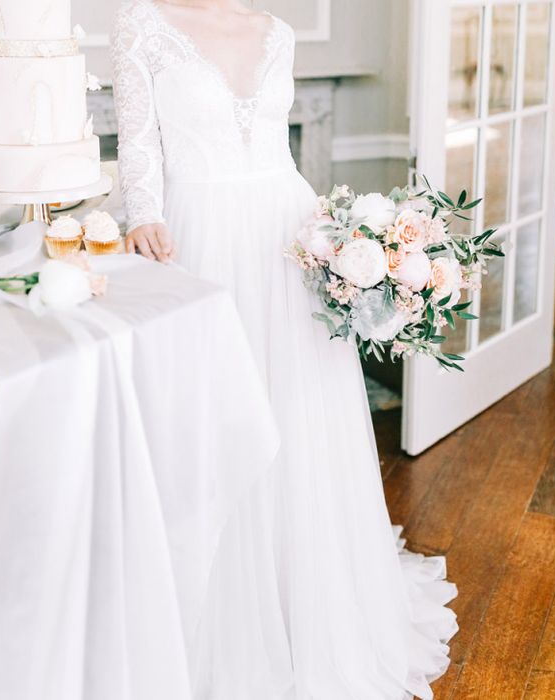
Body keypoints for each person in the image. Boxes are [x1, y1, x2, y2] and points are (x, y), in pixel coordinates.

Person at [111, 1, 458, 697]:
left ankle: (310, 602)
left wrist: (341, 238)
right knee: (212, 416)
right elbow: (137, 142)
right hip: (196, 235)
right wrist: (144, 211)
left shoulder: (279, 30)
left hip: (286, 232)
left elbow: (278, 149)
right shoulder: (140, 24)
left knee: (300, 411)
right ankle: (219, 616)